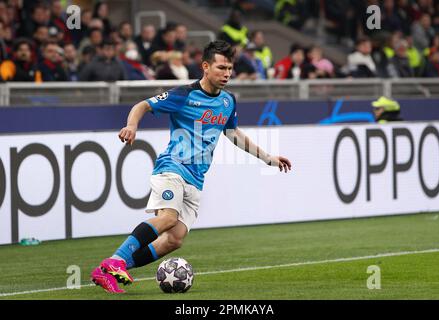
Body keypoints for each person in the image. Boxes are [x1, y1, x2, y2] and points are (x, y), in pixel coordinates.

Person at [90, 40, 292, 293]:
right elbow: (142, 105)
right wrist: (132, 126)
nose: (227, 74)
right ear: (205, 67)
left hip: (196, 178)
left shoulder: (228, 101)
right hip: (173, 166)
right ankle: (114, 261)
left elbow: (232, 133)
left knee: (174, 240)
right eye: (221, 68)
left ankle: (107, 270)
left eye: (229, 68)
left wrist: (268, 158)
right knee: (167, 218)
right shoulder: (183, 94)